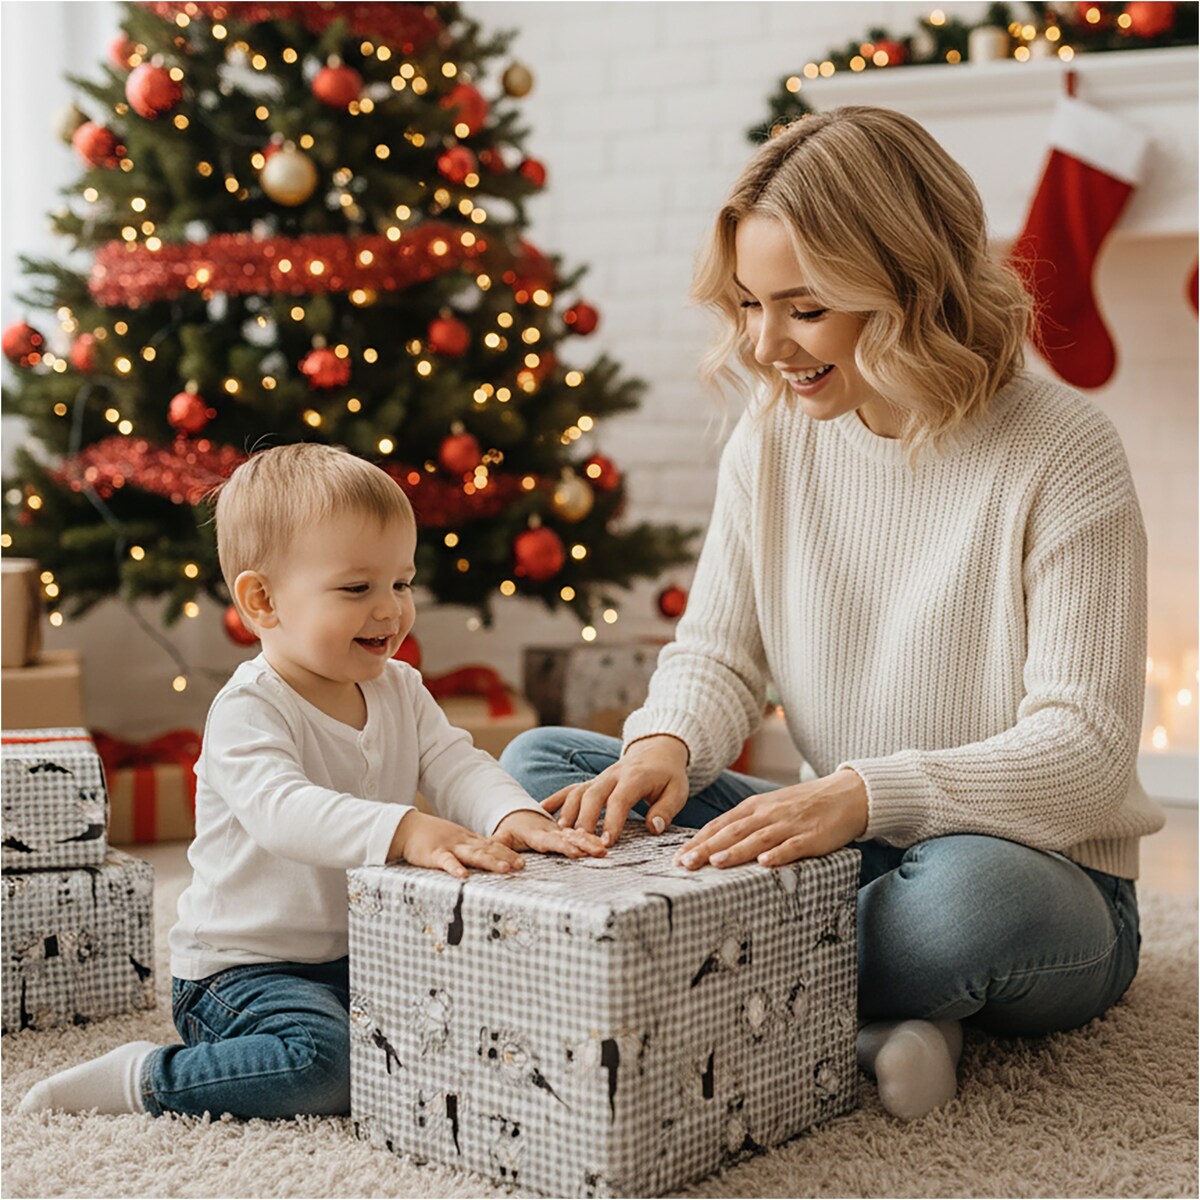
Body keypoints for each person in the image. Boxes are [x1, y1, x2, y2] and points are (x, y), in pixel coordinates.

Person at [500, 106, 1165, 1120]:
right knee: (545, 774)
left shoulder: (1062, 449)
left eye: (803, 309)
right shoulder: (771, 439)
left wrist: (860, 795)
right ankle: (860, 1015)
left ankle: (683, 979)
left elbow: (1084, 754)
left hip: (1034, 870)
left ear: (905, 290)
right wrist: (666, 744)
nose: (766, 344)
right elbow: (718, 652)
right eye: (751, 304)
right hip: (834, 852)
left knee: (956, 914)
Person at [19, 443, 604, 1119]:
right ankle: (145, 1077)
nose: (389, 611)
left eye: (402, 583)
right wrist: (403, 828)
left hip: (362, 951)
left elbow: (453, 762)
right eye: (357, 589)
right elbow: (283, 811)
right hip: (243, 971)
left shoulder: (401, 689)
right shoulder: (250, 708)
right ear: (263, 600)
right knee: (326, 1065)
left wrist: (509, 813)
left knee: (472, 1015)